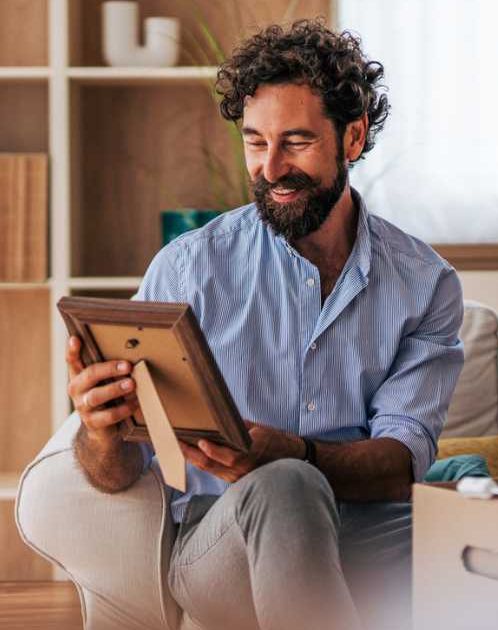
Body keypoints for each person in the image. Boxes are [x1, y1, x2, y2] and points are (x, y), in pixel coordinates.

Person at [65, 20, 464, 629]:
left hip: (370, 536)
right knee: (286, 487)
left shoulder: (424, 284)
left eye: (296, 142)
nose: (270, 167)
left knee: (485, 540)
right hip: (224, 541)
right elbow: (120, 473)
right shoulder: (188, 269)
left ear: (352, 137)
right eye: (255, 142)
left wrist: (298, 452)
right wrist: (99, 433)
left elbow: (398, 462)